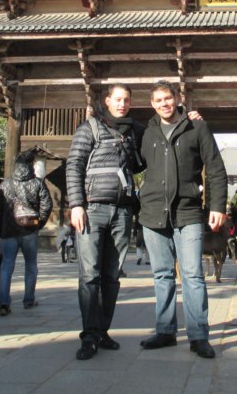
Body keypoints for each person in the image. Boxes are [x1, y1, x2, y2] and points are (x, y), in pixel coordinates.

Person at [138, 80, 227, 360]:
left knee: (192, 274)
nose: (164, 103)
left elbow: (215, 167)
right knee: (162, 274)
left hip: (188, 212)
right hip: (153, 213)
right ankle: (165, 330)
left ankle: (198, 335)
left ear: (177, 98)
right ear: (152, 104)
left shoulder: (196, 127)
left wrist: (217, 206)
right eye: (158, 100)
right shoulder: (146, 132)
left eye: (168, 98)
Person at [66, 83, 145, 361]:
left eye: (127, 100)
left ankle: (102, 330)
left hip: (122, 211)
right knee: (90, 275)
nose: (122, 104)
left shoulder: (133, 132)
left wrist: (186, 116)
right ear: (107, 100)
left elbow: (161, 132)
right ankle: (89, 336)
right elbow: (74, 165)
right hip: (92, 208)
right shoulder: (89, 128)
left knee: (112, 276)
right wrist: (76, 204)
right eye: (118, 99)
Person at [0, 150, 53, 316]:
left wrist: (1, 229)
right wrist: (39, 223)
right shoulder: (37, 183)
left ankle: (3, 302)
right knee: (31, 266)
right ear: (31, 165)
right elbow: (47, 205)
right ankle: (28, 299)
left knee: (6, 266)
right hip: (29, 229)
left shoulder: (5, 184)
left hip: (9, 230)